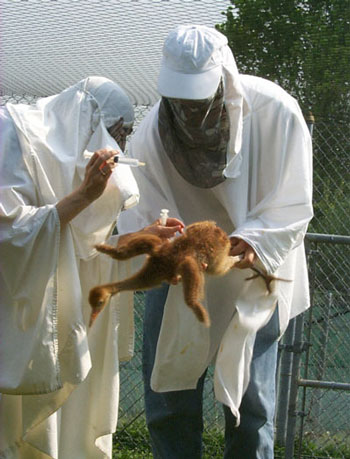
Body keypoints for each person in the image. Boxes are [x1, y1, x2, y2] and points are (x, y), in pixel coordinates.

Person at [117, 25, 313, 458]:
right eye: (179, 100)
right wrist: (160, 239)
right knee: (168, 393)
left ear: (226, 78)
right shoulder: (153, 129)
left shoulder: (277, 112)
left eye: (199, 98)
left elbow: (293, 201)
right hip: (183, 275)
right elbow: (143, 208)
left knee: (251, 401)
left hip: (254, 268)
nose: (188, 111)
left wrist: (251, 239)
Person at [0, 76, 183, 459]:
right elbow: (10, 238)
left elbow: (79, 252)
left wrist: (137, 241)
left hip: (63, 320)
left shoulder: (67, 156)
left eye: (123, 136)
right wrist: (84, 195)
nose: (117, 146)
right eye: (115, 133)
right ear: (86, 121)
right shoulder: (14, 134)